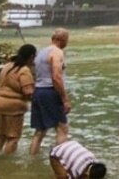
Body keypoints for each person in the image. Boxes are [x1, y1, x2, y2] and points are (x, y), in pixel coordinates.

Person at [30, 28, 72, 156]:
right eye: (67, 40)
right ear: (62, 39)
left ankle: (32, 161)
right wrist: (65, 99)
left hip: (38, 91)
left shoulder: (41, 53)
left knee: (40, 131)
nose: (67, 43)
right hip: (50, 91)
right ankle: (60, 160)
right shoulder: (57, 52)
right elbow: (56, 77)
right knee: (62, 128)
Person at [0, 44, 37, 155]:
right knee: (13, 137)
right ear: (31, 57)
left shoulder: (8, 66)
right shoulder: (24, 70)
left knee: (1, 135)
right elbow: (28, 91)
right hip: (12, 107)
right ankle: (8, 162)